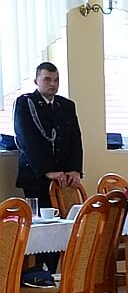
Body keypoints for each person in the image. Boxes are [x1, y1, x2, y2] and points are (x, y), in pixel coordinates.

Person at [13, 61, 83, 212]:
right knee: (41, 220)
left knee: (68, 219)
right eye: (47, 79)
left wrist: (75, 169)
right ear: (36, 81)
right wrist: (46, 171)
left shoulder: (66, 105)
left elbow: (75, 139)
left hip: (63, 176)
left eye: (56, 80)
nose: (53, 84)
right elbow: (27, 140)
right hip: (36, 175)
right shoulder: (25, 103)